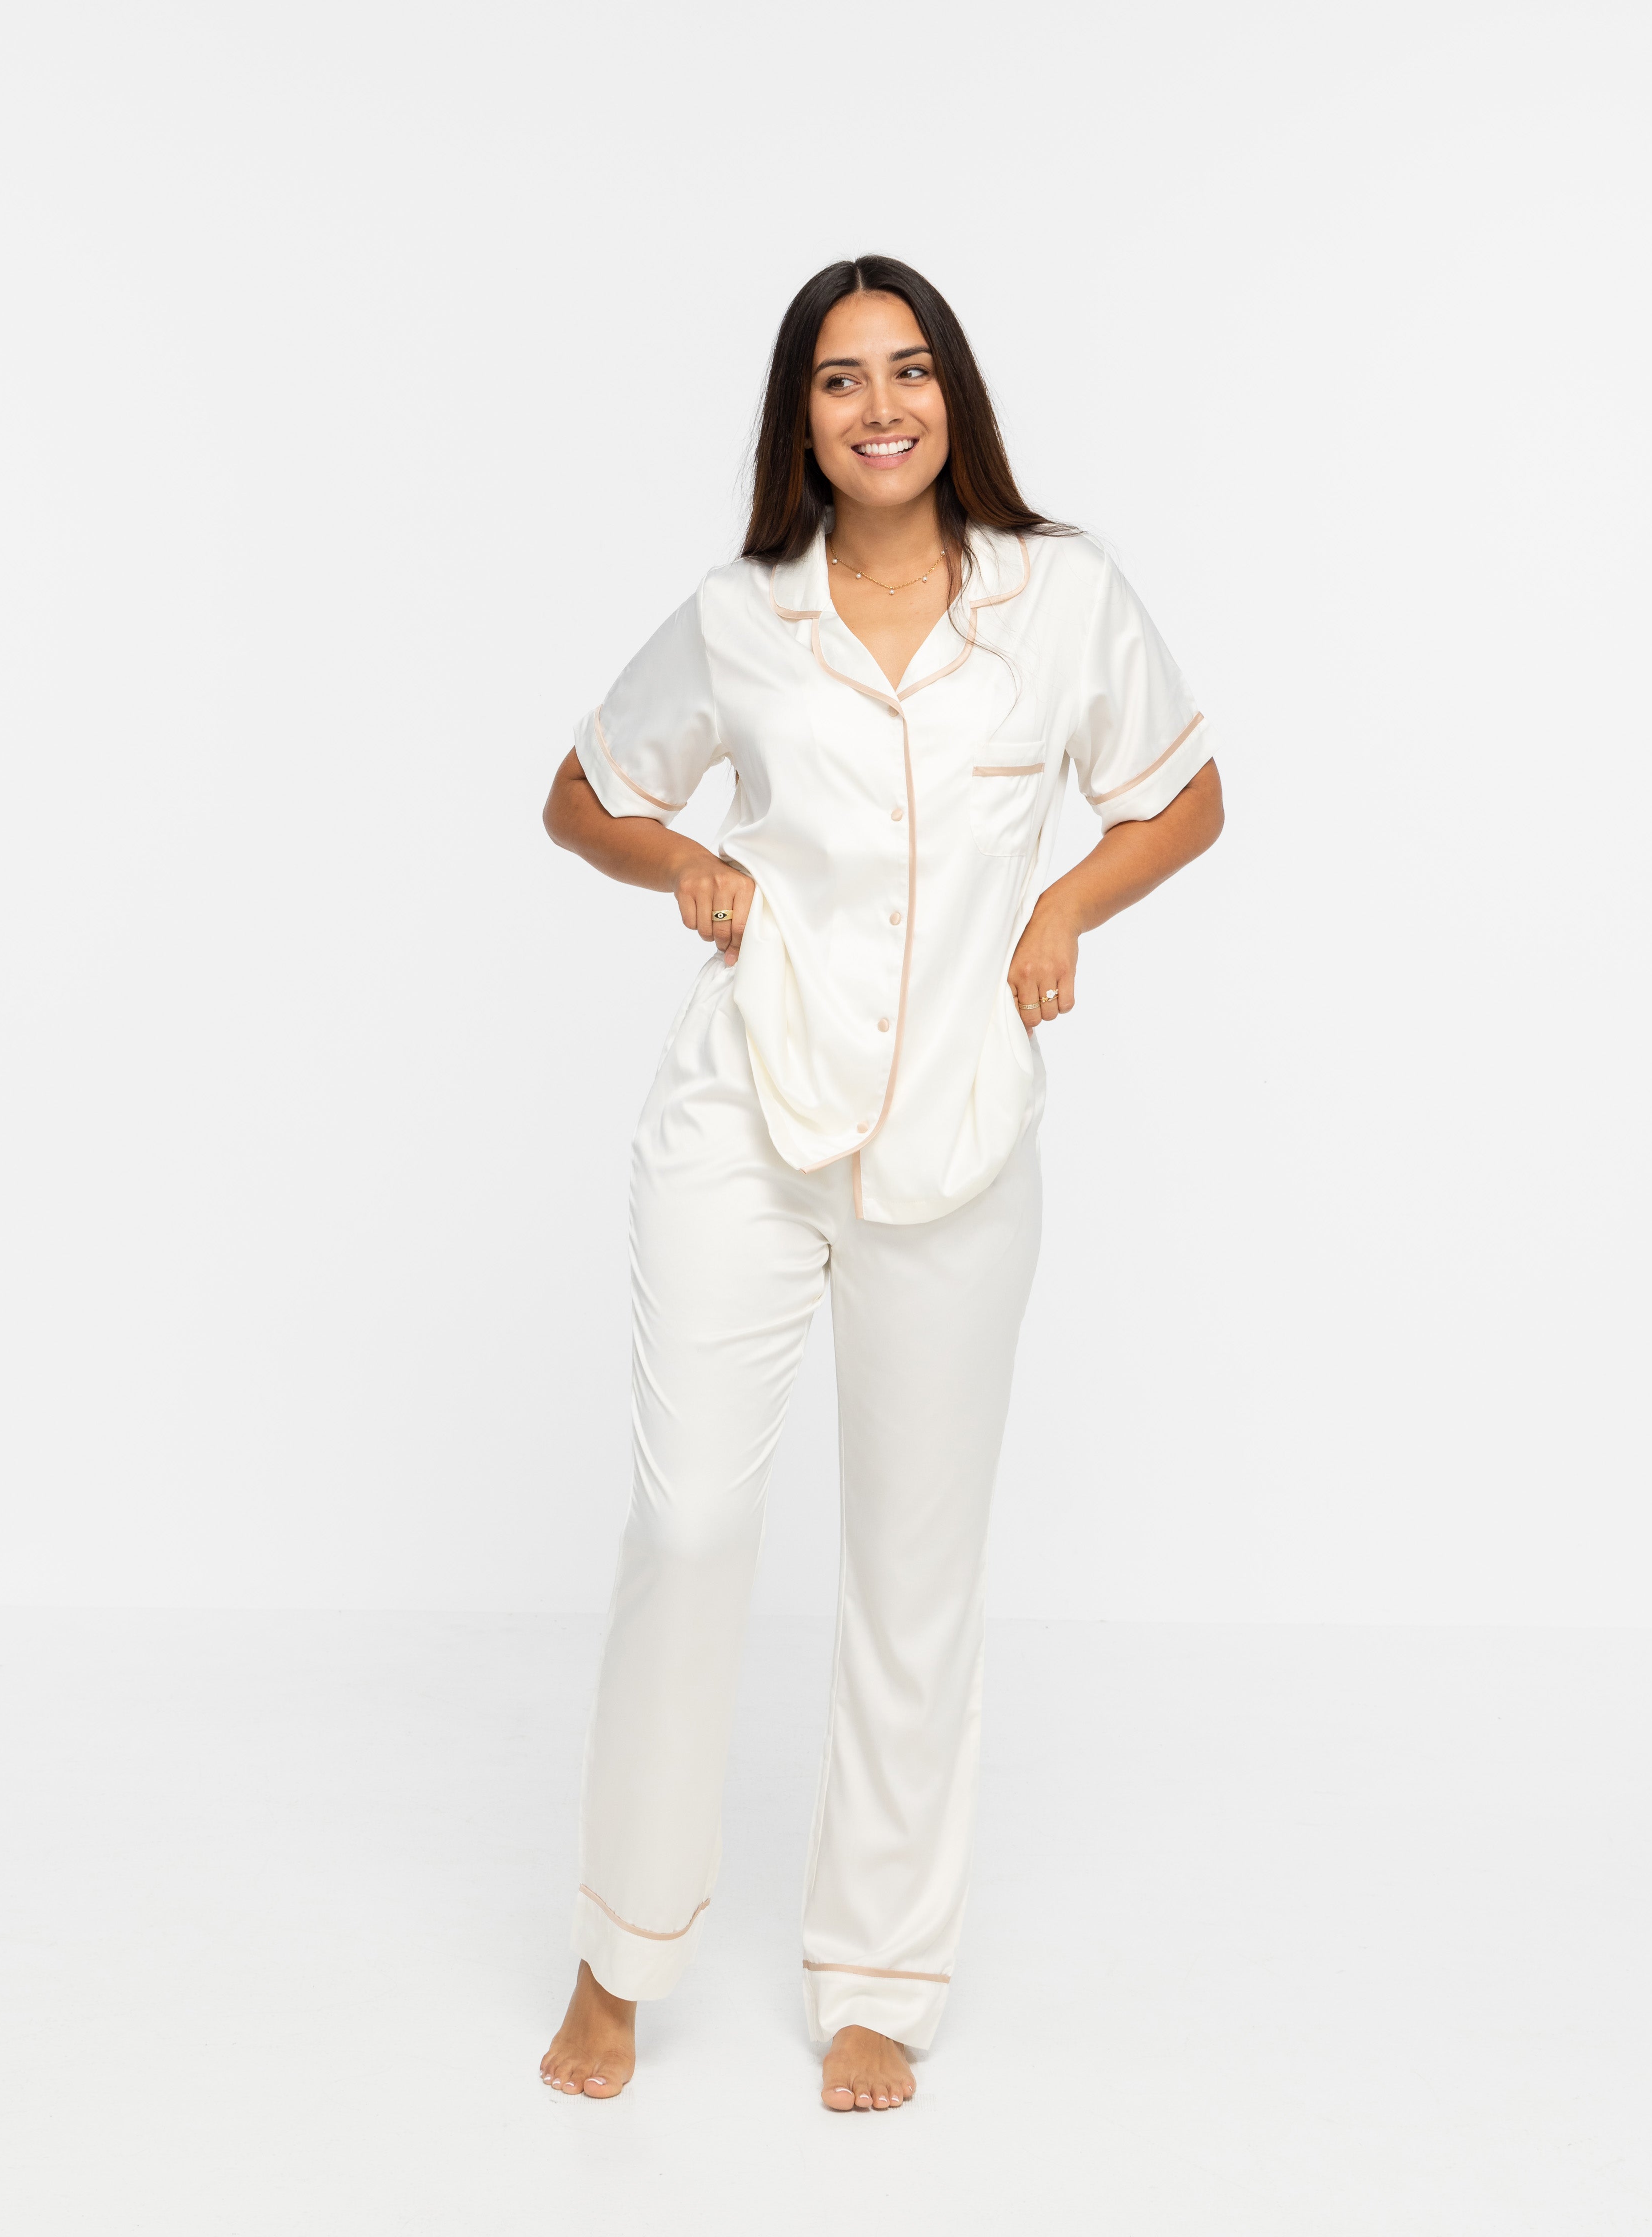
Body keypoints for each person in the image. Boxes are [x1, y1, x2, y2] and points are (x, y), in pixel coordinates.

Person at [537, 254, 1224, 2113]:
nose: (880, 407)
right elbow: (582, 794)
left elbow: (1184, 795)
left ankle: (879, 1979)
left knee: (915, 1571)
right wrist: (682, 863)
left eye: (908, 371)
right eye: (840, 380)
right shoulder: (738, 616)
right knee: (689, 1528)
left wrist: (1061, 908)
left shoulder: (1060, 595)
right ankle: (619, 1952)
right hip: (743, 1121)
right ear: (801, 419)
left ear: (952, 395)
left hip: (957, 1133)